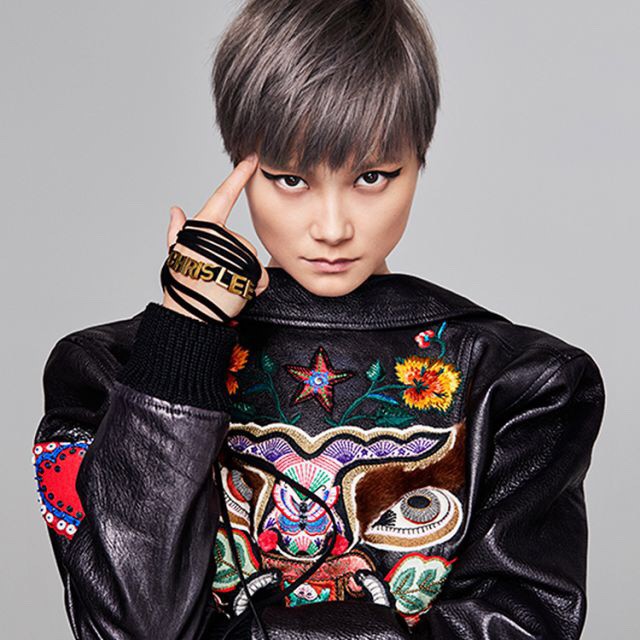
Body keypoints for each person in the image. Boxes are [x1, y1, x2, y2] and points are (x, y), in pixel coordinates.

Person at [32, 1, 606, 639]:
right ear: (239, 162)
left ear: (420, 161)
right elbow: (128, 629)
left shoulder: (521, 386)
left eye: (371, 176)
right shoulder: (109, 377)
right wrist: (184, 340)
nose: (332, 228)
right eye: (291, 179)